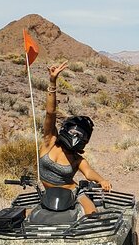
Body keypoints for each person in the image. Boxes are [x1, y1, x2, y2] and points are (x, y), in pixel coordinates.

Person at [40, 61, 111, 215]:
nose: (76, 137)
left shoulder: (77, 159)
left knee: (92, 215)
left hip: (73, 194)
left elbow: (89, 173)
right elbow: (50, 113)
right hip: (47, 196)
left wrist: (102, 180)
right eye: (74, 133)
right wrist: (52, 82)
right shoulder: (49, 142)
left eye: (81, 136)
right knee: (25, 219)